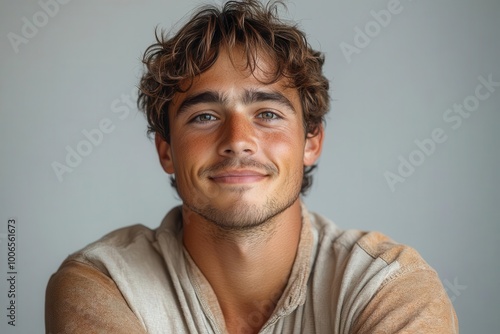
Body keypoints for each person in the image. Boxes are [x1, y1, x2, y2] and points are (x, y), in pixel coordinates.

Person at [45, 1, 458, 333]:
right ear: (167, 150)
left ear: (311, 141)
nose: (238, 139)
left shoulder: (388, 285)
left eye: (268, 113)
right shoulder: (106, 284)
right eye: (204, 116)